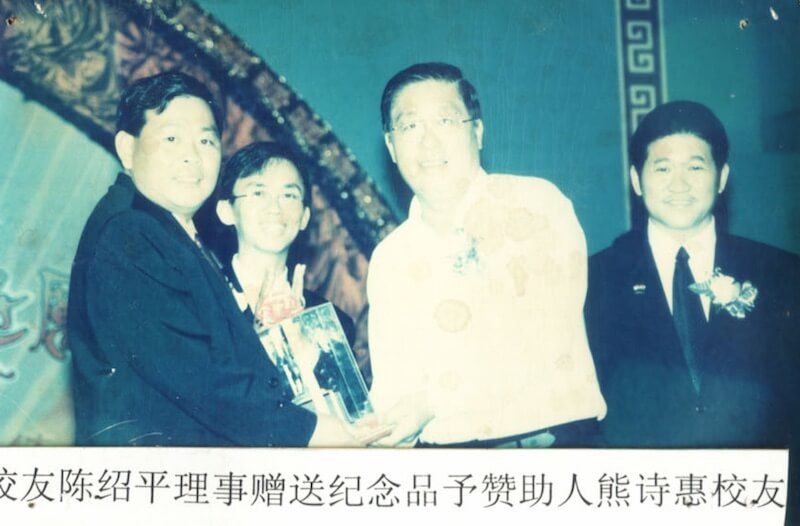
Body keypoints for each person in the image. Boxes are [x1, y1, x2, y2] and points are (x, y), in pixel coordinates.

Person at [67, 71, 362, 447]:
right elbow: (197, 377)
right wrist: (312, 431)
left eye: (206, 140)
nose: (191, 157)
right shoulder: (131, 231)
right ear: (127, 148)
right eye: (172, 138)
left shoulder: (166, 233)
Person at [367, 62, 606, 447]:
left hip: (552, 448)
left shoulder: (534, 206)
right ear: (392, 147)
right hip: (446, 462)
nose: (428, 142)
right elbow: (395, 385)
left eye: (445, 121)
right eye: (410, 126)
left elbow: (537, 342)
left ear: (477, 131)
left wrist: (430, 403)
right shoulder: (389, 258)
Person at [585, 100, 800, 448]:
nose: (679, 185)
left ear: (722, 178)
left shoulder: (782, 273)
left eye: (696, 167)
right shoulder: (594, 280)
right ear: (637, 180)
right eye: (663, 169)